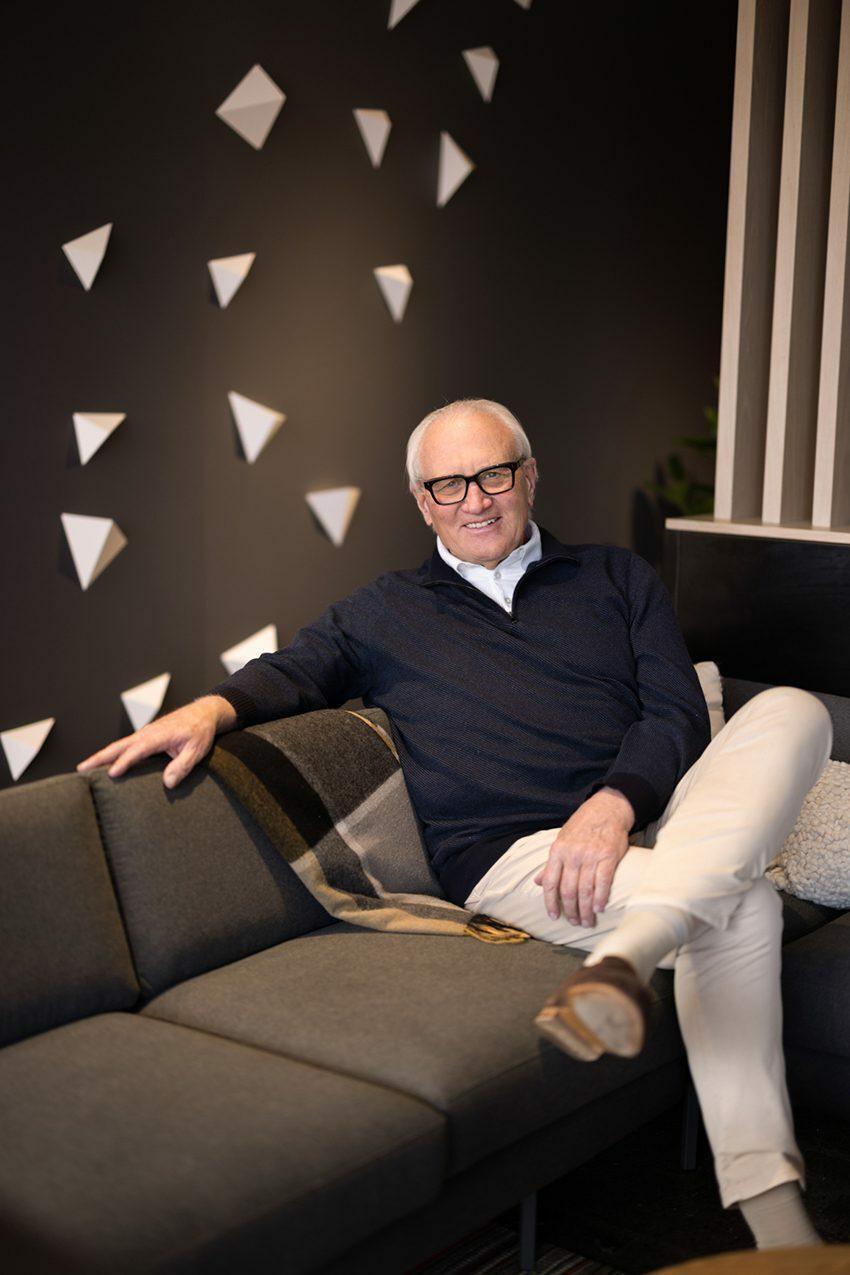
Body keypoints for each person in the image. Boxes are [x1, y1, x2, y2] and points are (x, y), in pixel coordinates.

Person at [78, 397, 831, 1251]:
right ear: (421, 501)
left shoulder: (617, 577)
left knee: (794, 710)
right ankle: (779, 1224)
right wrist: (208, 709)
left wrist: (614, 803)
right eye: (449, 484)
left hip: (654, 823)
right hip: (518, 855)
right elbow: (293, 670)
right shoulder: (384, 610)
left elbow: (676, 715)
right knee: (745, 906)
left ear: (530, 476)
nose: (475, 499)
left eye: (494, 474)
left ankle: (637, 943)